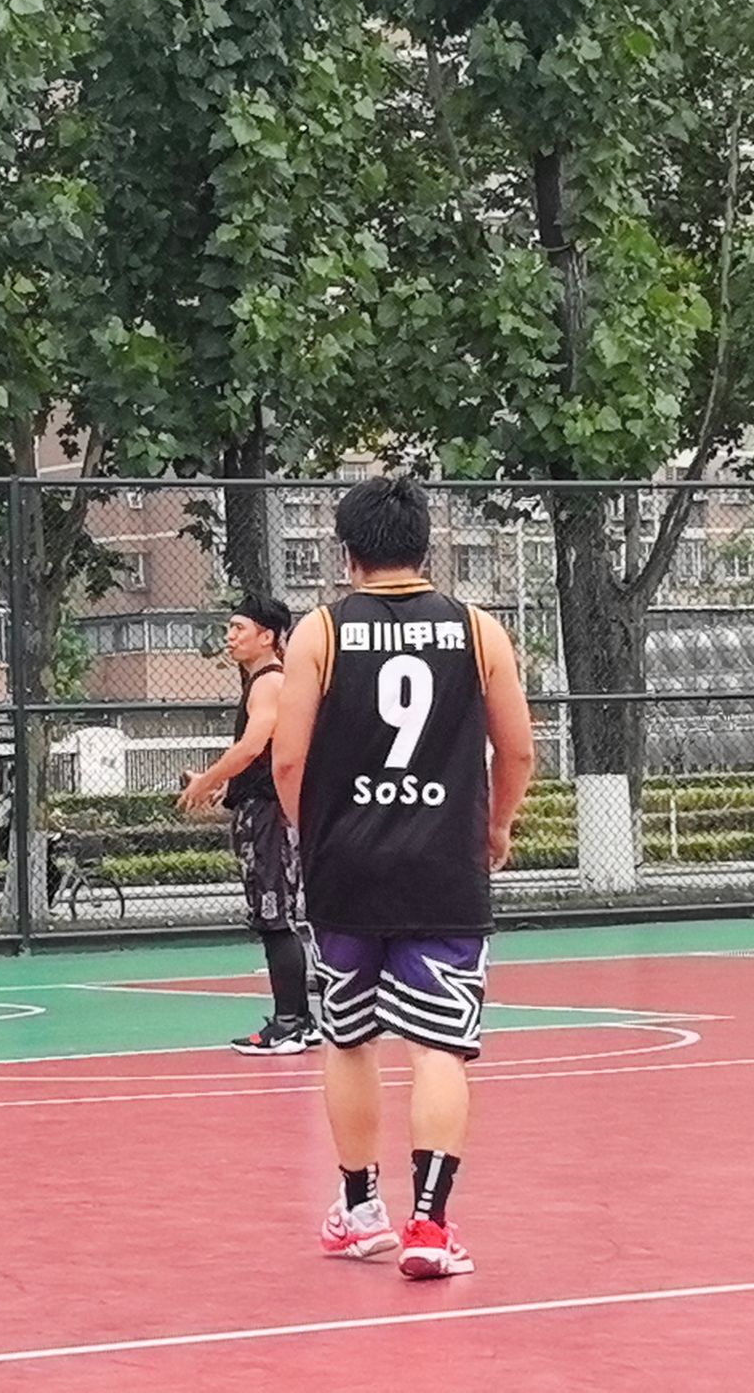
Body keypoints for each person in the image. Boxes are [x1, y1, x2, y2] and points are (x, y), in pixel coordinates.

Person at [271, 476, 534, 1280]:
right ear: (426, 548)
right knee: (439, 1047)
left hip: (346, 867)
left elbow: (288, 761)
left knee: (348, 1040)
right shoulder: (478, 630)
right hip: (444, 866)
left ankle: (360, 1212)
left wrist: (313, 836)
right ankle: (430, 1225)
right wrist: (496, 826)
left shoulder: (320, 632)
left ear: (347, 554)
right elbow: (519, 750)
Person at [179, 596, 319, 1055]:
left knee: (275, 918)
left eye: (239, 627)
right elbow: (263, 757)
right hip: (265, 808)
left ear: (268, 636)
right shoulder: (265, 681)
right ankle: (302, 1020)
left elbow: (253, 745)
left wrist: (207, 780)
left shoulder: (269, 682)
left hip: (269, 815)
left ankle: (289, 1024)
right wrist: (227, 787)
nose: (230, 636)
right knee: (276, 917)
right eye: (230, 627)